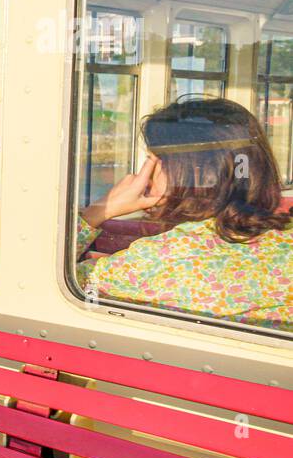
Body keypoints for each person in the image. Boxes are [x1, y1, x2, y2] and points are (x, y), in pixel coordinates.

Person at [76, 97, 293, 331]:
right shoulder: (286, 241)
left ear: (185, 172)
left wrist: (99, 210)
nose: (143, 176)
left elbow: (45, 286)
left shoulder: (159, 260)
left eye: (152, 162)